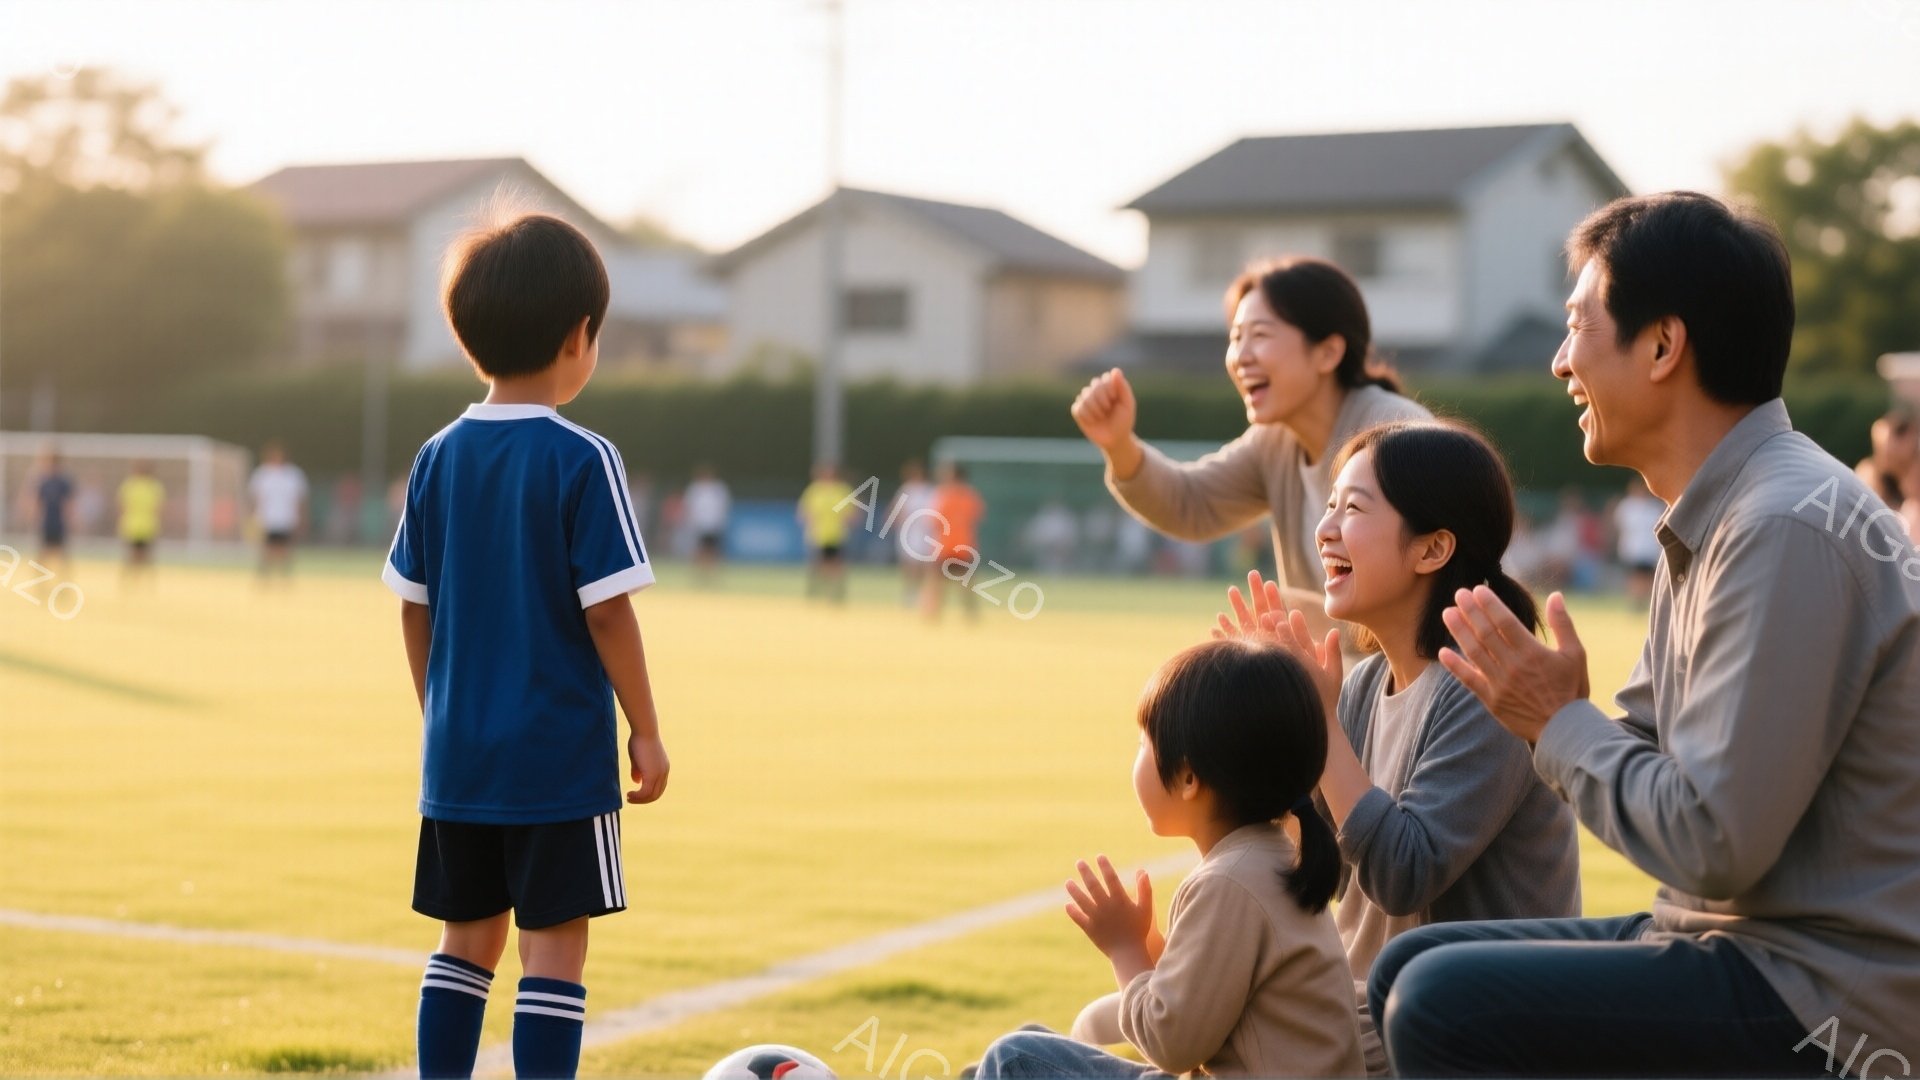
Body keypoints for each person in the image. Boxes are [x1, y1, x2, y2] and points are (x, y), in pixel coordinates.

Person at [1369, 192, 1920, 1075]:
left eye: (1578, 325)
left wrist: (1555, 721)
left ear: (1663, 345)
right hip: (1737, 945)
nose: (1558, 362)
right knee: (1410, 963)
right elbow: (1647, 754)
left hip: (1825, 993)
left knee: (1442, 1007)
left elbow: (1711, 846)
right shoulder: (1719, 510)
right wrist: (1537, 716)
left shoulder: (1781, 525)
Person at [1096, 420, 1578, 1077]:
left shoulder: (1487, 687)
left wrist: (1319, 723)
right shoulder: (1365, 685)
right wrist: (1269, 712)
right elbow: (1307, 857)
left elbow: (1403, 874)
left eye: (1352, 509)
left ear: (1432, 548)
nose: (1325, 529)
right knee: (1103, 1023)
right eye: (1328, 506)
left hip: (1454, 1035)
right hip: (1366, 1011)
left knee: (1043, 1054)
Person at [381, 211, 671, 1080]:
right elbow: (609, 613)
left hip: (460, 756)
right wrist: (647, 729)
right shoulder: (583, 459)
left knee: (464, 939)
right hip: (556, 758)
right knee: (554, 949)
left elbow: (409, 605)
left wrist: (443, 713)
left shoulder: (437, 455)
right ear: (580, 337)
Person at [973, 638, 1364, 1079]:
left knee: (1015, 1059)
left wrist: (1125, 950)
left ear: (1188, 777)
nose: (1137, 756)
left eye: (1145, 743)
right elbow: (1210, 999)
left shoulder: (1230, 883)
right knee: (1034, 1046)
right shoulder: (1271, 858)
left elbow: (1171, 1044)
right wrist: (1154, 948)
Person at [1071, 257, 1429, 642]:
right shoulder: (1273, 441)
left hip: (1420, 688)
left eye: (1259, 335)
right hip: (1339, 688)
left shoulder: (1396, 434)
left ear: (1327, 352)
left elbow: (1436, 589)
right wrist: (1119, 444)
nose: (1240, 356)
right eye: (1235, 337)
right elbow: (1190, 504)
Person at [922, 461, 984, 621]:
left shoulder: (944, 494)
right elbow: (976, 517)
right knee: (966, 583)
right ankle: (971, 615)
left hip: (946, 545)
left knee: (937, 582)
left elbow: (934, 520)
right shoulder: (971, 495)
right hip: (964, 545)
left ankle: (933, 614)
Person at [249, 440, 308, 583]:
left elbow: (299, 499)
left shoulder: (294, 475)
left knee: (286, 550)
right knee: (266, 550)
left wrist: (301, 518)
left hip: (286, 519)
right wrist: (253, 517)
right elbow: (255, 498)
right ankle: (264, 578)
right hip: (267, 519)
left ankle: (285, 577)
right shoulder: (262, 474)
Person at [797, 464, 854, 603]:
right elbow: (804, 511)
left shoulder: (842, 490)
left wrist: (846, 521)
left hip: (836, 534)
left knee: (836, 564)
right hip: (818, 535)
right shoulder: (814, 490)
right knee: (818, 564)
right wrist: (810, 522)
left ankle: (835, 593)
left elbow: (851, 512)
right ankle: (819, 592)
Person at [888, 459, 936, 605]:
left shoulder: (929, 491)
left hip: (925, 534)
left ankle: (924, 594)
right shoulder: (906, 489)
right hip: (908, 533)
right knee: (909, 564)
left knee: (925, 565)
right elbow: (896, 510)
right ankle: (910, 594)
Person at [1611, 475, 1663, 607]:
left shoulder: (1653, 507)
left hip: (1649, 549)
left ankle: (1647, 601)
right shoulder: (1627, 506)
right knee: (1635, 576)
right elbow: (1619, 527)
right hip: (1632, 548)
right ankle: (1635, 600)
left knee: (1647, 576)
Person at [118, 459, 165, 587]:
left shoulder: (129, 485)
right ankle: (147, 584)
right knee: (147, 557)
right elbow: (158, 509)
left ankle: (127, 582)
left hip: (132, 525)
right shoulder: (154, 487)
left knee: (131, 556)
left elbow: (123, 507)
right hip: (147, 526)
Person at [682, 464, 730, 586]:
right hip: (699, 525)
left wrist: (720, 521)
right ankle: (698, 574)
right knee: (699, 550)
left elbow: (723, 506)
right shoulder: (695, 489)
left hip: (713, 525)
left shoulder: (718, 489)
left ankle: (713, 574)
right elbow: (689, 506)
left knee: (713, 550)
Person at [34, 446, 74, 575]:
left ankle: (64, 580)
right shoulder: (43, 481)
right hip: (47, 522)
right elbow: (38, 502)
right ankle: (39, 579)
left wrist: (71, 519)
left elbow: (68, 504)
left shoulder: (63, 482)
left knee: (62, 554)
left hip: (59, 523)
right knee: (43, 553)